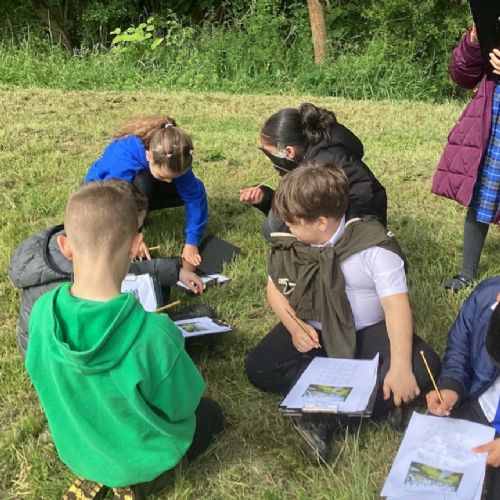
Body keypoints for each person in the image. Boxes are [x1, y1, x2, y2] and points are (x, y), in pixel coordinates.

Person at [25, 181, 223, 498]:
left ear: (65, 246)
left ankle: (99, 472)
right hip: (140, 460)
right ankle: (136, 482)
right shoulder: (154, 333)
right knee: (210, 414)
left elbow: (39, 374)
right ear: (136, 245)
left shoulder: (42, 312)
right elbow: (182, 406)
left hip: (81, 451)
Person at [245, 160, 440, 463]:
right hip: (313, 330)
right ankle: (378, 401)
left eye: (294, 221)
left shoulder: (373, 246)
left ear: (322, 222)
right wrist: (294, 326)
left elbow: (396, 307)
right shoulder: (290, 242)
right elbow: (274, 289)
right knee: (259, 366)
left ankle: (325, 420)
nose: (287, 226)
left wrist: (400, 366)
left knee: (423, 364)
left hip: (366, 332)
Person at [8, 180, 204, 359]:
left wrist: (175, 271)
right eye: (136, 228)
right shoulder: (74, 288)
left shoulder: (76, 246)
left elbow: (124, 267)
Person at [239, 102, 387, 240]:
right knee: (276, 224)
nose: (268, 159)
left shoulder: (321, 166)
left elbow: (304, 205)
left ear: (288, 152)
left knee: (275, 228)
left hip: (360, 230)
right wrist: (265, 198)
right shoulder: (309, 152)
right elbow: (298, 201)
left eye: (269, 153)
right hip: (340, 220)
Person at [85, 116, 207, 269]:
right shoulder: (124, 156)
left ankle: (142, 213)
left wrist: (192, 243)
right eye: (163, 176)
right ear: (149, 156)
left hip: (141, 186)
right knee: (144, 182)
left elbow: (194, 196)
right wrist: (131, 238)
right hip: (104, 194)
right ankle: (138, 219)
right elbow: (114, 202)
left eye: (173, 177)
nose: (169, 182)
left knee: (190, 188)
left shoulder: (176, 157)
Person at [432, 25, 500, 292]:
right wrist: (474, 41)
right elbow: (462, 76)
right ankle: (466, 273)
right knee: (483, 192)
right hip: (492, 120)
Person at [426, 276, 500, 499]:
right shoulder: (486, 296)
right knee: (429, 465)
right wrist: (451, 388)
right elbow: (460, 350)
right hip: (481, 407)